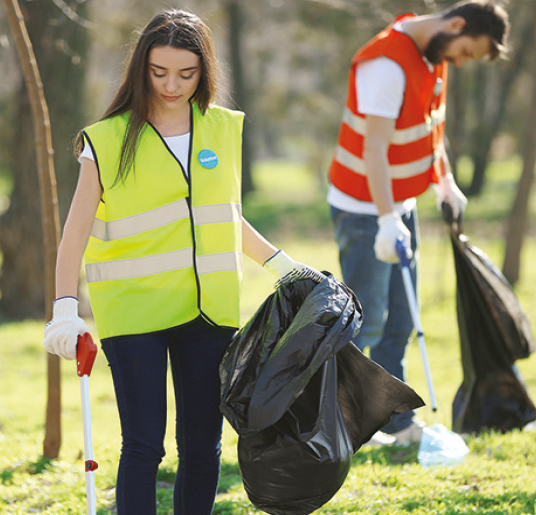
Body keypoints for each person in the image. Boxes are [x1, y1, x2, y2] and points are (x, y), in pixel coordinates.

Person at [42, 9, 321, 515]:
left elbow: (222, 217)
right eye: (159, 72)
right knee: (144, 445)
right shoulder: (105, 140)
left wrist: (282, 265)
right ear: (140, 69)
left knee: (202, 446)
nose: (172, 85)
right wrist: (65, 307)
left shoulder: (221, 129)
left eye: (187, 74)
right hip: (134, 312)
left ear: (205, 70)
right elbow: (74, 234)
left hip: (208, 310)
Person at [328, 0, 509, 445]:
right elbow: (373, 151)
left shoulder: (434, 56)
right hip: (363, 208)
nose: (461, 61)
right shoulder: (386, 63)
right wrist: (387, 219)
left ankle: (394, 421)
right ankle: (341, 424)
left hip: (397, 205)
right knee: (364, 322)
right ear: (456, 24)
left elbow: (430, 130)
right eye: (467, 51)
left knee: (401, 321)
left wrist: (443, 183)